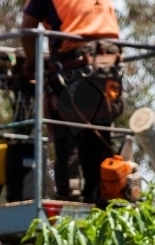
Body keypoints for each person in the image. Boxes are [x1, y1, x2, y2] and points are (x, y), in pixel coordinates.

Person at [21, 0, 122, 203]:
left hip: (77, 62)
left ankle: (70, 193)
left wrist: (31, 62)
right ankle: (100, 192)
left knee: (66, 129)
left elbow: (27, 28)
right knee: (98, 131)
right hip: (110, 64)